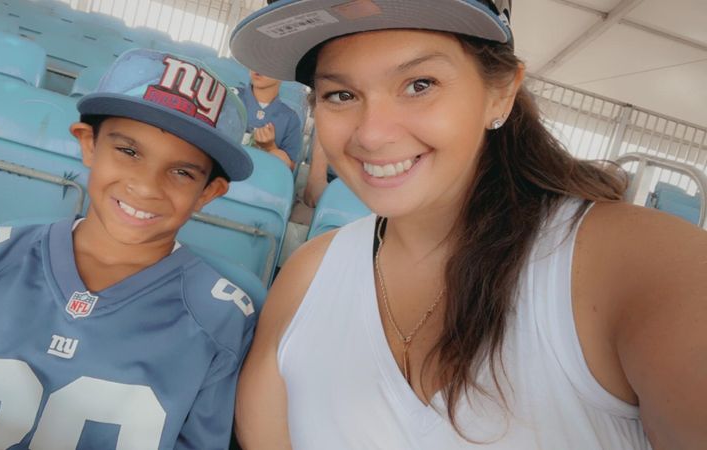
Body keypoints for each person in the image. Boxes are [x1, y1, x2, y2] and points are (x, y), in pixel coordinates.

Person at [229, 1, 707, 449]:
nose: (372, 133)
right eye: (342, 94)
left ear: (501, 92)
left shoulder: (641, 264)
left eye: (420, 84)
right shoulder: (306, 279)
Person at [0, 48, 257, 449]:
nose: (145, 186)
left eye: (181, 172)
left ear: (208, 191)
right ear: (88, 144)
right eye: (128, 151)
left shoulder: (220, 320)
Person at [236, 71, 303, 170]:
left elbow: (288, 171)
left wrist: (270, 147)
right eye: (255, 59)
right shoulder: (230, 96)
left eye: (268, 63)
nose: (258, 67)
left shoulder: (291, 118)